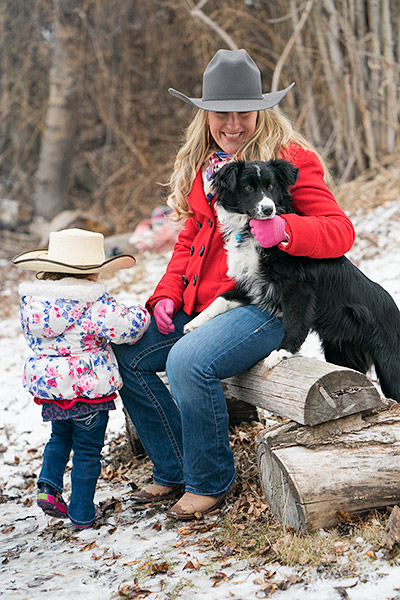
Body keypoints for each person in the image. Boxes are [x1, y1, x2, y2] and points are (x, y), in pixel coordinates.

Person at [113, 49, 355, 520]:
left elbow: (339, 230)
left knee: (188, 359)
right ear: (206, 115)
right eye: (221, 113)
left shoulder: (288, 159)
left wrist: (288, 230)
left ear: (259, 111)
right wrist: (166, 294)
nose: (232, 123)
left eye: (243, 112)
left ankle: (209, 481)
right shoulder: (204, 164)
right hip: (207, 302)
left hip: (265, 302)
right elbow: (189, 238)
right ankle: (175, 467)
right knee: (129, 353)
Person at [13, 228, 150, 529]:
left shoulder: (33, 306)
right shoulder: (95, 303)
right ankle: (82, 514)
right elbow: (128, 328)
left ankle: (48, 487)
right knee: (88, 452)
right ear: (92, 274)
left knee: (59, 437)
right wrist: (141, 313)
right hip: (89, 390)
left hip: (52, 390)